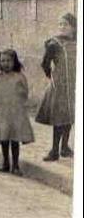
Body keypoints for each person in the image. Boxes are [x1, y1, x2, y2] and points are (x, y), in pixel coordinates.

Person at [36, 13, 77, 161]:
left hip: (74, 85)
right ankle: (54, 150)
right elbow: (45, 64)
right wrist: (52, 77)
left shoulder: (78, 42)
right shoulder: (54, 44)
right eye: (60, 24)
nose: (62, 27)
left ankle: (65, 147)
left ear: (73, 27)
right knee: (59, 117)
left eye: (65, 24)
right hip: (59, 85)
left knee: (70, 116)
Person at [0, 49, 34, 175]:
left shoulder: (20, 77)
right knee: (4, 139)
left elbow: (25, 93)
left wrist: (19, 102)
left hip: (16, 113)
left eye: (8, 61)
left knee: (15, 140)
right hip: (2, 112)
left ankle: (16, 165)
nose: (5, 63)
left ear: (14, 62)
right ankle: (6, 162)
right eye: (3, 61)